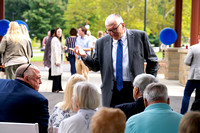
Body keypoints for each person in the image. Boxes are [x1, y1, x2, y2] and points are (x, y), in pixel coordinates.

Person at [71, 14, 158, 107]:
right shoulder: (101, 42)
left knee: (133, 120)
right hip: (111, 91)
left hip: (135, 90)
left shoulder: (139, 37)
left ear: (123, 25)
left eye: (114, 29)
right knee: (111, 120)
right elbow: (96, 66)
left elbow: (153, 61)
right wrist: (84, 56)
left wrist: (148, 83)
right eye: (108, 30)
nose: (112, 33)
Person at [0, 64, 49, 133]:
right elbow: (44, 128)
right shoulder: (38, 99)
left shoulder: (1, 84)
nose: (40, 82)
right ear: (26, 78)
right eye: (38, 78)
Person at [180, 43, 200, 114]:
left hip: (194, 76)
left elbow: (187, 61)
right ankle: (195, 114)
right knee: (199, 97)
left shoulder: (193, 48)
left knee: (187, 94)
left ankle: (183, 113)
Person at [51, 27, 64, 93]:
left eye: (60, 32)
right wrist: (56, 60)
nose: (59, 33)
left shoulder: (58, 40)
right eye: (58, 32)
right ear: (55, 32)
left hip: (59, 58)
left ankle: (59, 87)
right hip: (56, 58)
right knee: (56, 73)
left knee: (59, 73)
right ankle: (55, 88)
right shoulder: (54, 39)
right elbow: (55, 50)